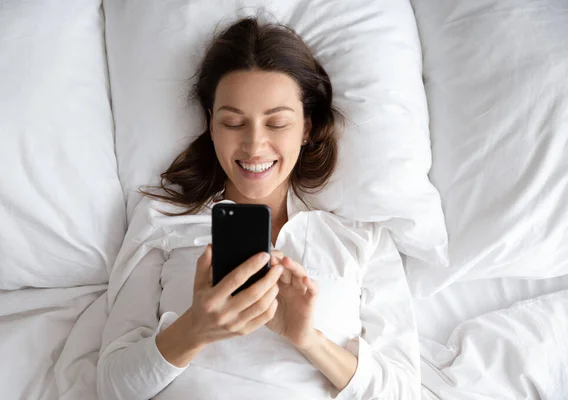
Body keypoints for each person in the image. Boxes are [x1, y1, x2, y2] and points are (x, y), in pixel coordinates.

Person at [97, 17, 420, 400]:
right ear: (211, 127)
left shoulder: (359, 237)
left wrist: (307, 339)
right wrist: (196, 328)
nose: (254, 146)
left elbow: (401, 392)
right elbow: (112, 388)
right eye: (233, 122)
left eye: (277, 123)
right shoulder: (163, 221)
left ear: (306, 128)